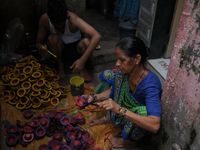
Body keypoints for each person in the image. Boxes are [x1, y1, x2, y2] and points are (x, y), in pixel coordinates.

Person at [83, 36, 162, 148]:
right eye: (117, 59)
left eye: (122, 60)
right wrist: (93, 97)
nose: (117, 63)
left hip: (137, 120)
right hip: (124, 112)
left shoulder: (150, 84)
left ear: (137, 59)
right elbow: (113, 91)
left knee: (143, 111)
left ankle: (129, 142)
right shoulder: (123, 73)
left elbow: (155, 125)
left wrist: (119, 110)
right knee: (108, 75)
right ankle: (109, 118)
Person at [36, 0, 101, 81]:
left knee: (87, 42)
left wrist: (82, 60)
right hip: (58, 52)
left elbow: (97, 35)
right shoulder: (44, 20)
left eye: (62, 25)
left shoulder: (73, 18)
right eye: (57, 26)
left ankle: (82, 67)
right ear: (50, 18)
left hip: (76, 50)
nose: (60, 28)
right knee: (52, 39)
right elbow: (38, 43)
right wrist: (41, 48)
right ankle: (60, 66)